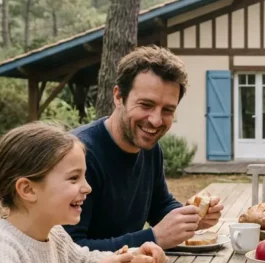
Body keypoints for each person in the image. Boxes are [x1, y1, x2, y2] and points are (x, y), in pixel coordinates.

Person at [0, 122, 168, 263]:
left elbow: (85, 261)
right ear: (27, 190)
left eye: (84, 176)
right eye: (74, 178)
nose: (87, 187)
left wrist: (129, 257)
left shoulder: (54, 234)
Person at [65, 46, 224, 251]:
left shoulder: (150, 148)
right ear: (118, 97)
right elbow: (70, 250)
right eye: (146, 105)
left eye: (168, 110)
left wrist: (190, 218)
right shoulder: (78, 154)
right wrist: (153, 238)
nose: (156, 120)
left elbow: (160, 206)